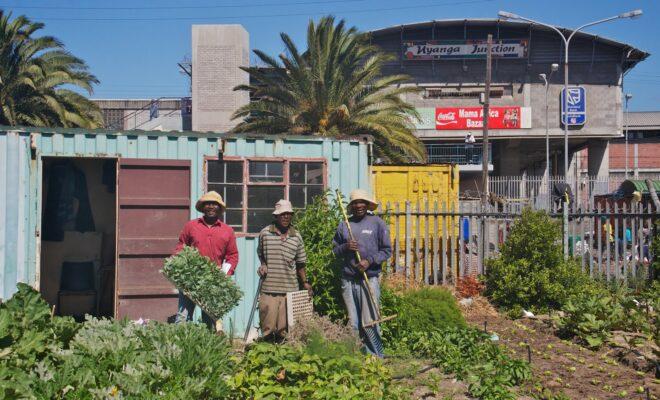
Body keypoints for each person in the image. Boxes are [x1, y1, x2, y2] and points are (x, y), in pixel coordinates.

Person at [333, 189, 392, 357]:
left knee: (370, 321)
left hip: (369, 279)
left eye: (362, 202)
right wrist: (345, 247)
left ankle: (375, 357)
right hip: (348, 280)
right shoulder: (344, 224)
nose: (358, 206)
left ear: (367, 205)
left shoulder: (377, 223)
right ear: (351, 206)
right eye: (355, 203)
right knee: (352, 322)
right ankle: (355, 357)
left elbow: (387, 251)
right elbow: (334, 251)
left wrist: (369, 261)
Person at [174, 191, 239, 327]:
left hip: (213, 282)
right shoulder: (191, 226)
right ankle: (179, 347)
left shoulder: (227, 230)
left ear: (220, 209)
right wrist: (179, 266)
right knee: (183, 317)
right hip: (190, 279)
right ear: (203, 207)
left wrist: (225, 273)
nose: (211, 207)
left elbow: (232, 255)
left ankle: (207, 347)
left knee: (210, 320)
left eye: (215, 204)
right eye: (208, 204)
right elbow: (181, 247)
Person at [257, 199, 311, 342]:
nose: (286, 217)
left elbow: (301, 263)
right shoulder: (265, 233)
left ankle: (283, 360)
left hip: (289, 289)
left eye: (288, 214)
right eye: (282, 214)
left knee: (284, 330)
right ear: (276, 216)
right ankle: (265, 356)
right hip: (269, 288)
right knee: (267, 328)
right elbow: (261, 254)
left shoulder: (296, 236)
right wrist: (263, 264)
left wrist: (305, 283)